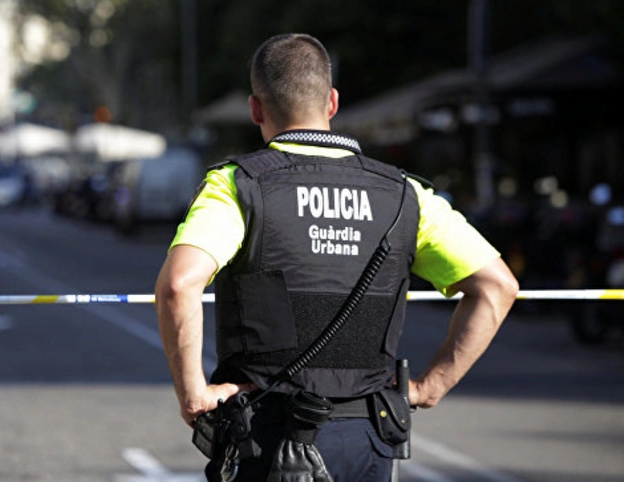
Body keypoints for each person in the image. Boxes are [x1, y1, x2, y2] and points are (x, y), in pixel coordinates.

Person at [155, 33, 519, 481]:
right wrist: (431, 386)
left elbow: (179, 284)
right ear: (332, 102)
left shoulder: (238, 186)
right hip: (370, 437)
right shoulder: (406, 195)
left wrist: (193, 393)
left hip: (268, 436)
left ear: (255, 109)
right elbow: (498, 286)